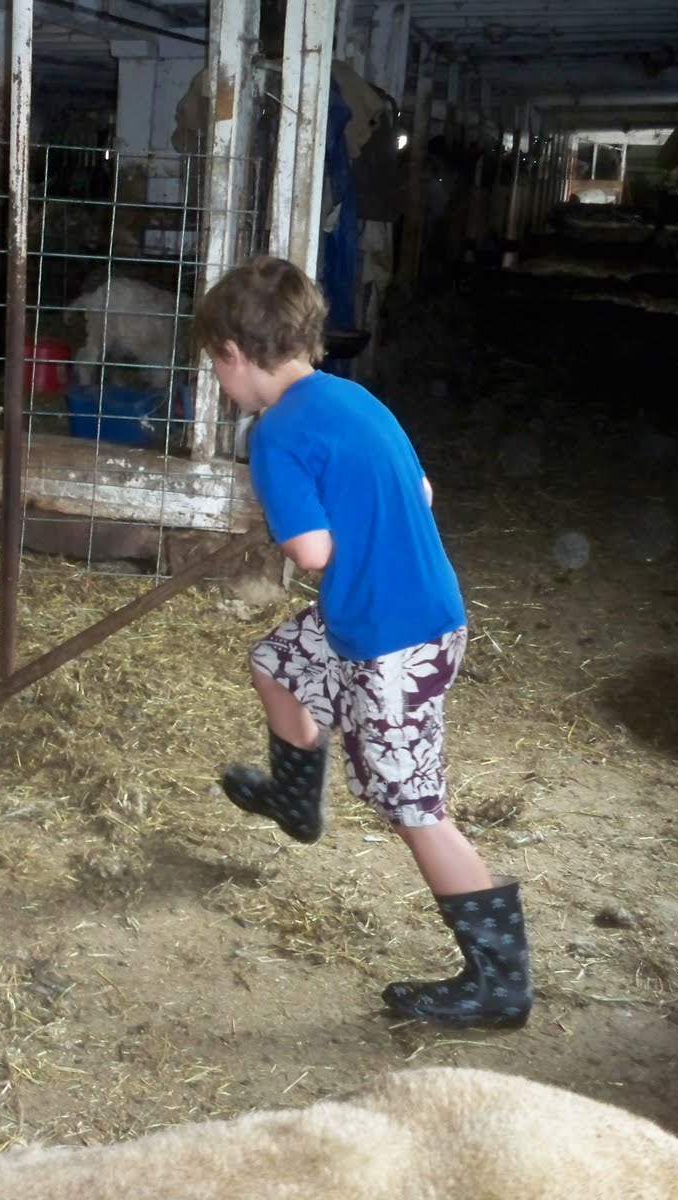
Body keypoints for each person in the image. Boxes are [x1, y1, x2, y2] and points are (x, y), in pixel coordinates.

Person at [193, 254, 531, 1030]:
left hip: (391, 640)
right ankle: (294, 798)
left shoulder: (274, 436)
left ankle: (497, 981)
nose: (219, 381)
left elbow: (311, 553)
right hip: (410, 616)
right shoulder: (354, 398)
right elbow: (420, 491)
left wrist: (286, 514)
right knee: (275, 662)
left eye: (216, 365)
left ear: (236, 355)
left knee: (414, 806)